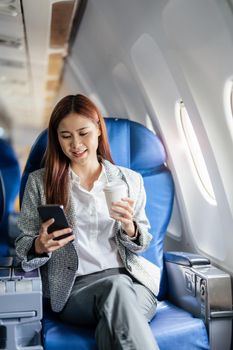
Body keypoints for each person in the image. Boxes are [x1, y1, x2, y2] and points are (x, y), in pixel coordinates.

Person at [15, 94, 161, 350]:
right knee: (117, 292)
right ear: (56, 138)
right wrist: (40, 245)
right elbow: (22, 245)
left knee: (115, 314)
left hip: (133, 281)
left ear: (99, 132)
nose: (76, 144)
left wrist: (130, 228)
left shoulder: (130, 180)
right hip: (75, 289)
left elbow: (143, 243)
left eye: (83, 133)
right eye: (66, 136)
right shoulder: (39, 183)